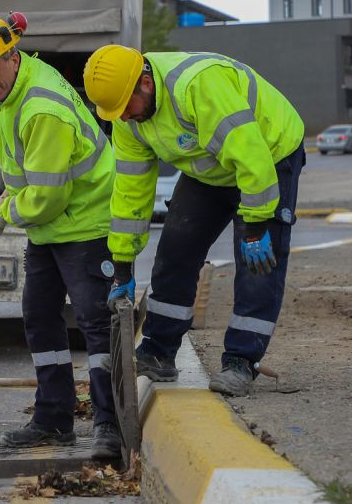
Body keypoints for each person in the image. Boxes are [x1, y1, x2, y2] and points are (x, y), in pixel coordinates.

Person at [82, 45, 305, 397]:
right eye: (115, 112)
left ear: (145, 82)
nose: (122, 117)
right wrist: (122, 264)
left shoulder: (197, 87)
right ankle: (158, 351)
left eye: (125, 107)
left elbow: (251, 155)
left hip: (269, 153)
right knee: (176, 250)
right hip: (210, 167)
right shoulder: (126, 120)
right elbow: (130, 192)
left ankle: (241, 363)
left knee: (257, 263)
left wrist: (257, 225)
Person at [0, 13, 123, 459]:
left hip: (86, 223)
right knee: (39, 315)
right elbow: (24, 171)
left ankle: (111, 425)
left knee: (94, 321)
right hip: (51, 227)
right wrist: (3, 208)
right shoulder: (9, 90)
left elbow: (47, 196)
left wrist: (5, 214)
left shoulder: (42, 107)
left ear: (12, 56)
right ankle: (53, 420)